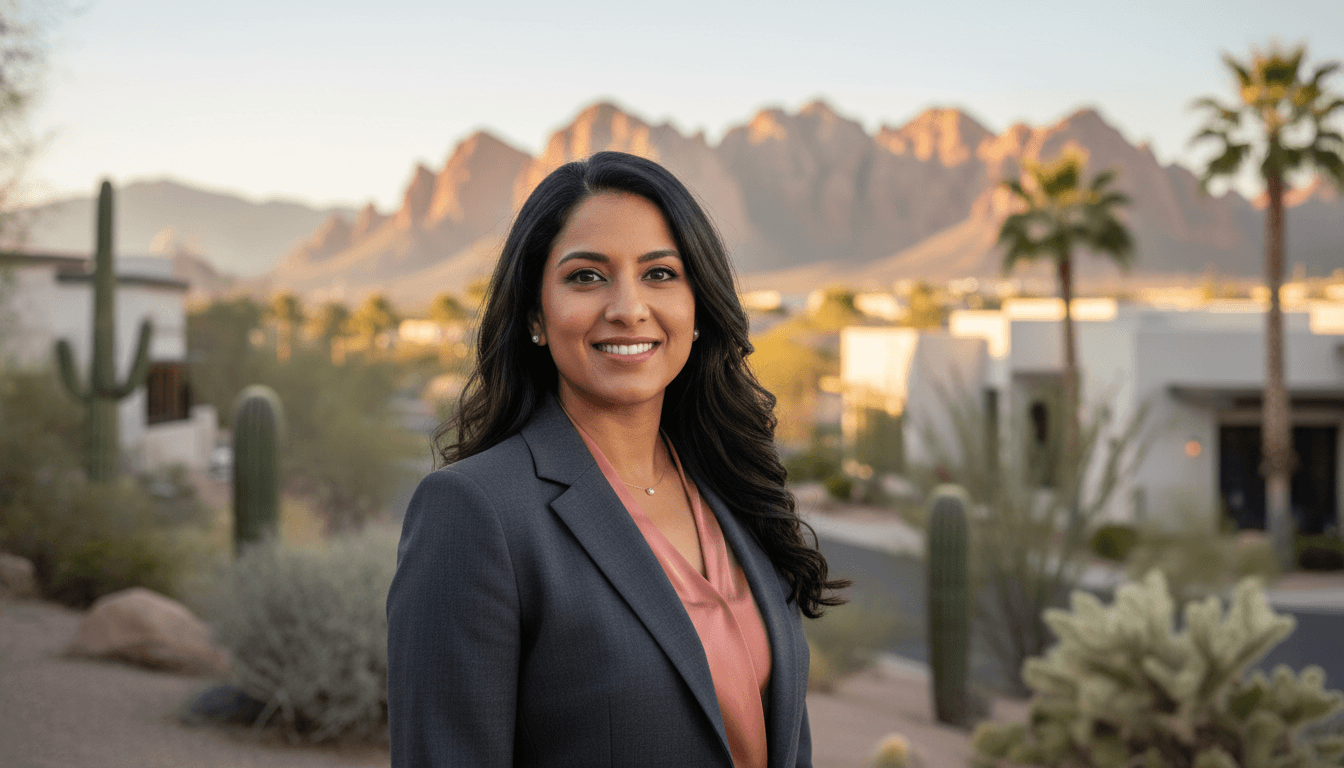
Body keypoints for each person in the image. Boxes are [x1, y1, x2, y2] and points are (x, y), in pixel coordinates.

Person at [387, 151, 847, 767]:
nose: (628, 308)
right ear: (535, 315)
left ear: (698, 307)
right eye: (586, 277)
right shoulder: (475, 512)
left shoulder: (733, 486)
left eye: (660, 274)